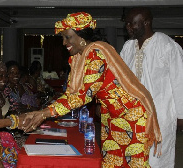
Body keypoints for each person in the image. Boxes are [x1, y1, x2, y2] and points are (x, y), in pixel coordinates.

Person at [21, 12, 162, 167]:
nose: (63, 42)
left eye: (68, 37)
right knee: (112, 161)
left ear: (82, 37)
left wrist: (45, 113)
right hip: (111, 114)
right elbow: (71, 93)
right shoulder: (78, 57)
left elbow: (83, 96)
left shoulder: (96, 53)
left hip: (132, 114)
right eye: (63, 37)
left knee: (133, 163)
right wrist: (45, 111)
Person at [120, 7, 183, 168]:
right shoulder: (128, 47)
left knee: (156, 159)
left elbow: (179, 81)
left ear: (146, 22)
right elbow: (119, 78)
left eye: (131, 23)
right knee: (133, 156)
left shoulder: (167, 46)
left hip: (160, 115)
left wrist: (181, 115)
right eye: (126, 23)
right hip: (132, 115)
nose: (127, 27)